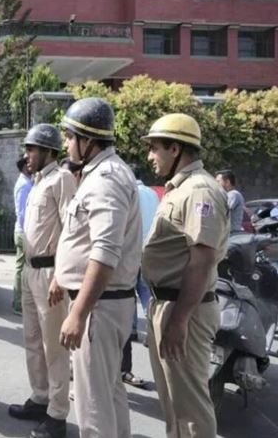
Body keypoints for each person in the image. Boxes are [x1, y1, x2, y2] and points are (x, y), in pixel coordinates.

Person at [50, 97, 142, 438]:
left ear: (87, 141)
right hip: (104, 304)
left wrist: (78, 313)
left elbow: (105, 252)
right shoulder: (101, 174)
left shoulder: (105, 179)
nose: (66, 144)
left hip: (98, 308)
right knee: (109, 394)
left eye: (69, 137)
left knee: (92, 409)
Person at [142, 113, 229, 438]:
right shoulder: (182, 188)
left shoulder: (199, 190)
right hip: (169, 304)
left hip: (184, 310)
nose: (150, 156)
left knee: (190, 410)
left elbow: (201, 261)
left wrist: (178, 321)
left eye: (155, 148)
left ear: (175, 148)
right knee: (174, 405)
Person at [8, 124, 77, 438]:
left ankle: (57, 415)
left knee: (54, 348)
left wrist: (61, 276)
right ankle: (40, 397)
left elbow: (70, 231)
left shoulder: (62, 179)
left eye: (32, 148)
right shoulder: (38, 181)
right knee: (33, 340)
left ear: (49, 150)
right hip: (30, 271)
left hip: (50, 273)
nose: (27, 154)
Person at [120, 164, 160, 389]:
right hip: (149, 250)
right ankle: (153, 328)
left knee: (127, 294)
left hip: (131, 250)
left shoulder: (128, 191)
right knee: (145, 293)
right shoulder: (152, 194)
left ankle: (133, 329)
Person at [13, 155, 34, 315]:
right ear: (25, 167)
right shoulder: (24, 185)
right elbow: (21, 213)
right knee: (21, 269)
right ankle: (18, 304)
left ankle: (19, 301)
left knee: (22, 267)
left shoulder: (27, 182)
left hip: (23, 230)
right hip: (23, 231)